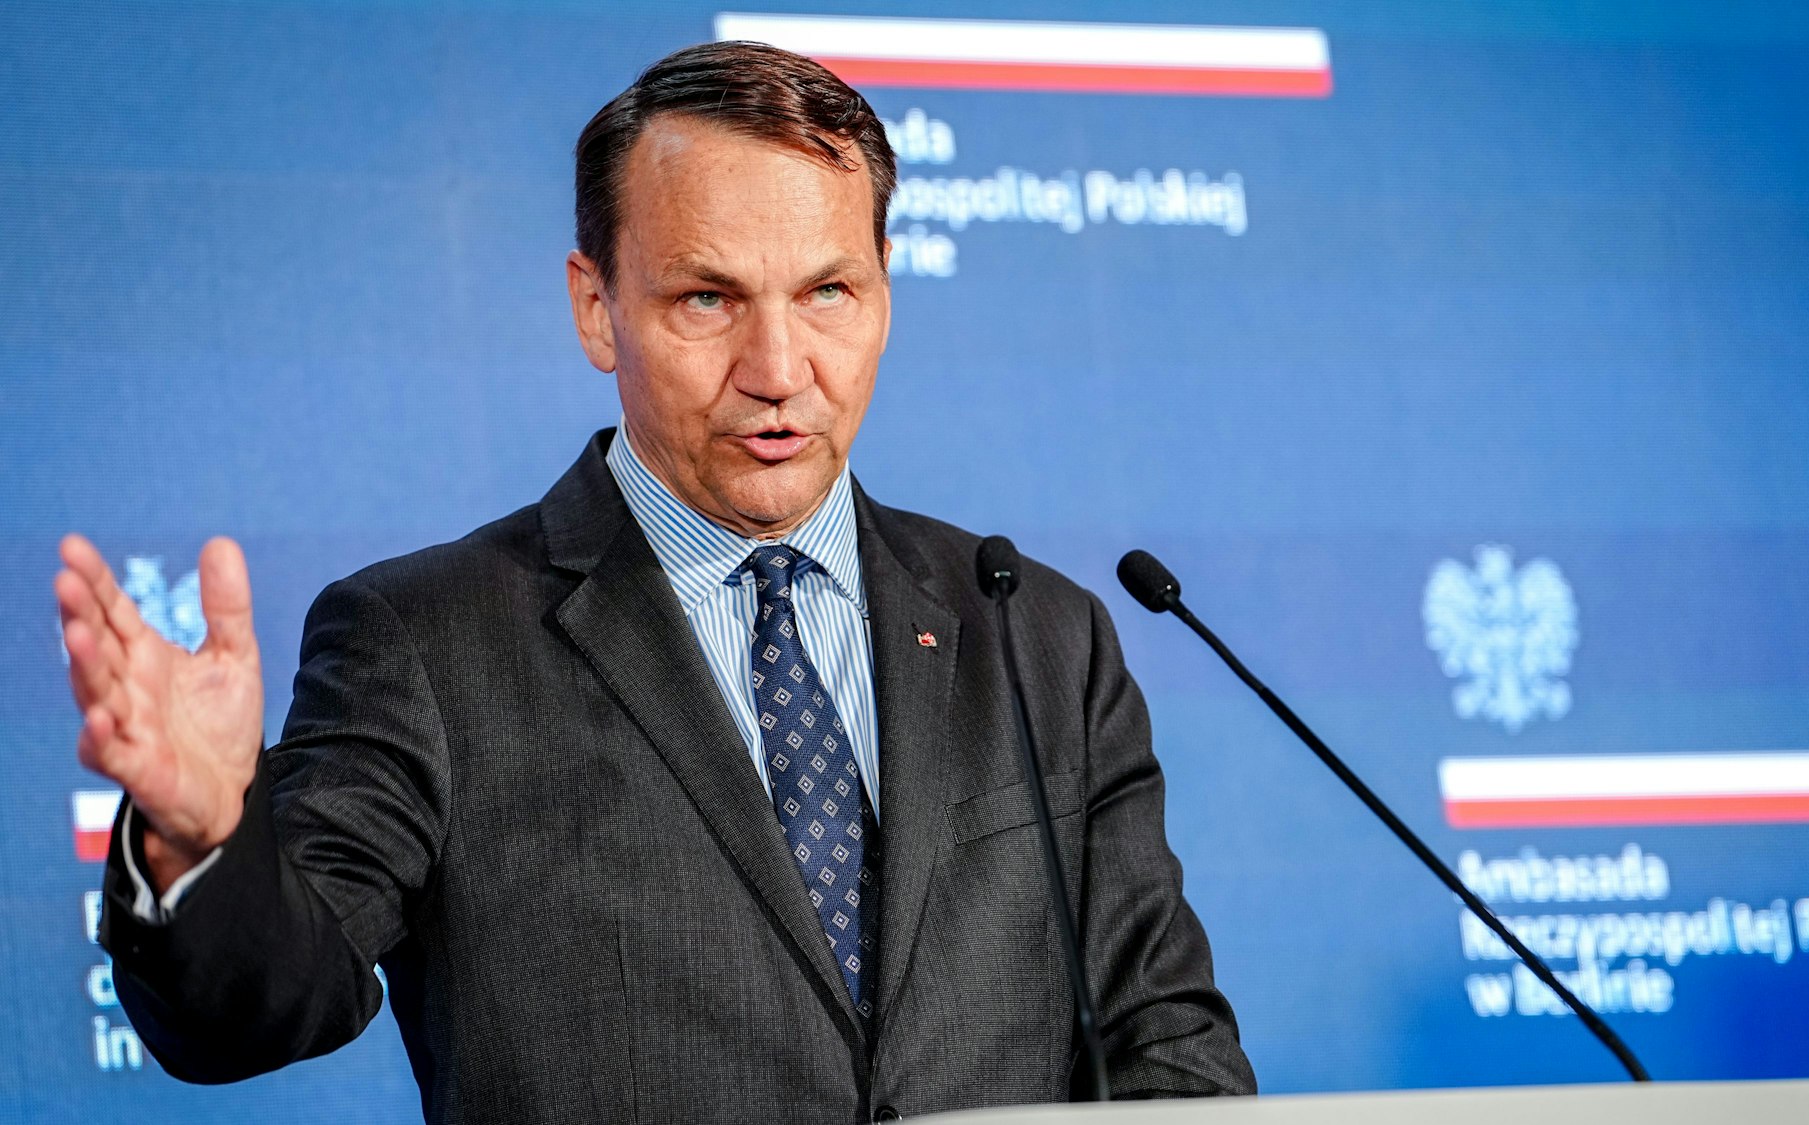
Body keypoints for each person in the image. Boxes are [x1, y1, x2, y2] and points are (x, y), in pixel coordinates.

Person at [54, 41, 1254, 1124]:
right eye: (706, 298)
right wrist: (205, 841)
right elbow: (259, 1009)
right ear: (596, 306)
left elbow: (1170, 1050)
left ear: (884, 289)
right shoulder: (426, 641)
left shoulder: (1037, 632)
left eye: (825, 291)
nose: (777, 369)